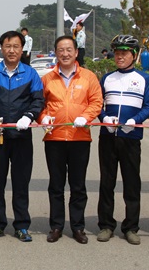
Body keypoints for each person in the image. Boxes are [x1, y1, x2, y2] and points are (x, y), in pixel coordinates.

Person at [0, 30, 45, 242]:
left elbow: (38, 101)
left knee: (21, 181)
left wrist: (29, 116)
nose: (12, 50)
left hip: (22, 137)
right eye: (8, 46)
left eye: (16, 46)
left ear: (22, 48)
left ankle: (22, 224)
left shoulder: (30, 74)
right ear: (2, 48)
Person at [40, 34, 103, 244]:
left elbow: (96, 102)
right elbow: (39, 105)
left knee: (78, 185)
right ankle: (56, 226)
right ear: (56, 53)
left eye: (69, 50)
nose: (65, 53)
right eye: (61, 50)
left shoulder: (88, 77)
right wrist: (43, 117)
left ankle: (78, 227)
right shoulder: (47, 78)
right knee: (56, 185)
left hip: (80, 138)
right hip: (54, 138)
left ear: (76, 52)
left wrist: (85, 117)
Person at [97, 34, 149, 245]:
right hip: (108, 137)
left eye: (124, 53)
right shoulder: (107, 78)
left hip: (131, 137)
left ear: (134, 55)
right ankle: (105, 225)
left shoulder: (144, 79)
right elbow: (97, 104)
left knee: (131, 184)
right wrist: (105, 118)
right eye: (117, 53)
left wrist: (135, 120)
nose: (120, 57)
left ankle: (131, 227)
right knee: (106, 182)